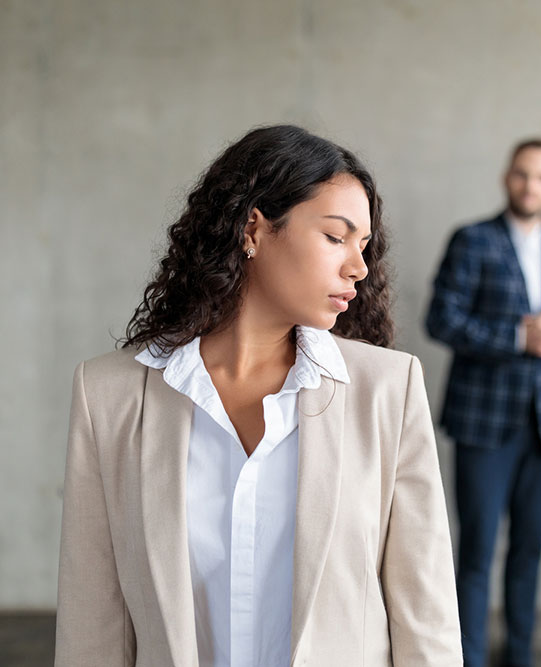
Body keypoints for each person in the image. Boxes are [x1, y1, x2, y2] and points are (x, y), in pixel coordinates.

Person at [55, 125, 462, 667]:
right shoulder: (109, 396)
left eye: (364, 246)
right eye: (336, 237)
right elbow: (92, 628)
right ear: (254, 228)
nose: (358, 268)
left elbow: (426, 616)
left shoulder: (388, 389)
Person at [425, 139, 541, 667]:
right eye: (522, 174)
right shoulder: (473, 240)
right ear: (506, 177)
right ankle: (468, 658)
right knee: (475, 552)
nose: (530, 186)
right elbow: (441, 320)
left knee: (529, 553)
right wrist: (519, 338)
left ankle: (520, 655)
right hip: (482, 423)